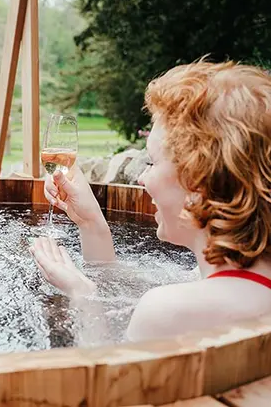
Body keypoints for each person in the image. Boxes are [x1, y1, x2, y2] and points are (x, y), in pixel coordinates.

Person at [30, 60, 271, 342]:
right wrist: (91, 223)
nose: (142, 178)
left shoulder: (167, 311)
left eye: (152, 162)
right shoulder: (233, 282)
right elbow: (123, 289)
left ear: (197, 183)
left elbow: (104, 380)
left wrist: (82, 295)